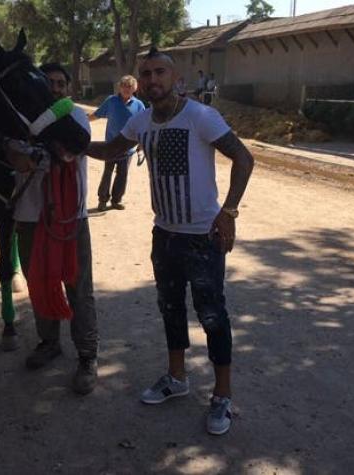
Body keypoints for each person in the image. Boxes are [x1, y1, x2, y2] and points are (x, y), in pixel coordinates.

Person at [86, 48, 254, 435]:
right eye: (145, 74)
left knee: (212, 316)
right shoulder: (142, 121)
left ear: (176, 79)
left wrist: (228, 212)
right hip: (164, 234)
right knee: (170, 307)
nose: (152, 80)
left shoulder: (200, 116)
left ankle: (222, 397)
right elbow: (113, 151)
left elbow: (243, 159)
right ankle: (177, 378)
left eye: (159, 72)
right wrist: (77, 147)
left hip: (202, 237)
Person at [6, 63, 99, 395]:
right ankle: (49, 342)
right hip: (29, 217)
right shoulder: (17, 120)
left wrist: (33, 143)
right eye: (49, 83)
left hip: (71, 218)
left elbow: (66, 150)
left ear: (69, 88)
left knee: (79, 287)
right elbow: (17, 159)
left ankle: (88, 356)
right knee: (39, 284)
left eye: (61, 83)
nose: (56, 88)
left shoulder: (75, 117)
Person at [89, 75, 145, 211]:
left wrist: (141, 145)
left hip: (128, 148)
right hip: (111, 146)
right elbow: (96, 115)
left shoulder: (139, 105)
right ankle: (102, 200)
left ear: (134, 89)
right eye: (124, 85)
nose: (126, 89)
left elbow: (144, 125)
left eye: (130, 86)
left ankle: (116, 200)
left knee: (122, 175)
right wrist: (81, 121)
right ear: (119, 87)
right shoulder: (111, 101)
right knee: (107, 172)